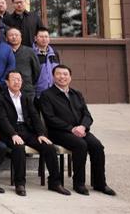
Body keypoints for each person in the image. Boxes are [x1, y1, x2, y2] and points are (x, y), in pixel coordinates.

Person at [39, 65, 115, 196]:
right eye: (58, 74)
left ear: (70, 77)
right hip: (59, 132)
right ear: (53, 77)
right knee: (80, 145)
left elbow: (87, 115)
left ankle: (100, 183)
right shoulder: (47, 95)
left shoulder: (76, 94)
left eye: (65, 74)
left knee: (97, 146)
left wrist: (83, 127)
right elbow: (50, 118)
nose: (62, 77)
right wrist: (71, 128)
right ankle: (79, 183)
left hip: (80, 130)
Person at [0, 71, 70, 196]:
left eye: (19, 79)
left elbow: (35, 116)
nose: (17, 82)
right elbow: (2, 119)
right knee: (19, 147)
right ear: (7, 82)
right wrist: (13, 134)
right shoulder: (0, 98)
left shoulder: (25, 97)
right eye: (13, 79)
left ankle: (55, 183)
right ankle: (20, 183)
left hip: (26, 130)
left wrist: (41, 134)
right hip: (8, 132)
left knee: (49, 147)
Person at [6, 27, 41, 98]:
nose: (14, 37)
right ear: (6, 38)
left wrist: (28, 82)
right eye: (11, 35)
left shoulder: (30, 51)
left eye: (16, 35)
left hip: (27, 88)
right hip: (8, 89)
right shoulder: (3, 51)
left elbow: (36, 70)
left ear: (21, 38)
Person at [33, 27, 61, 99]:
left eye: (46, 37)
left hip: (54, 93)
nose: (44, 39)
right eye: (41, 37)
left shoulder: (54, 53)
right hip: (38, 94)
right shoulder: (31, 54)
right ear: (35, 38)